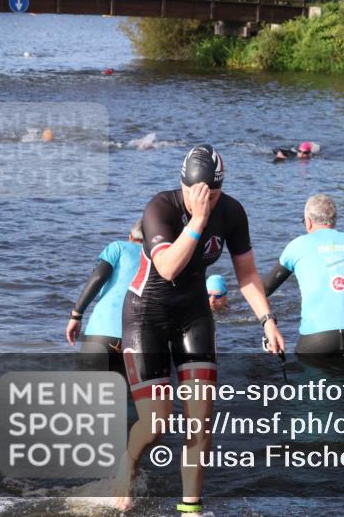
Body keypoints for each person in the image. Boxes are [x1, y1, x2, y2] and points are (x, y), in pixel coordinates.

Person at [114, 144, 285, 514]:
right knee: (157, 423)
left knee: (201, 420)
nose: (204, 199)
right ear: (183, 185)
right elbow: (167, 269)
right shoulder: (160, 208)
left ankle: (191, 507)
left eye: (213, 194)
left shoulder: (232, 212)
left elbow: (247, 274)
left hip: (193, 316)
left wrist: (267, 320)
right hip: (146, 316)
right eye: (196, 192)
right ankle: (128, 463)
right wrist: (197, 221)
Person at [265, 195, 344, 355]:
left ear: (308, 222)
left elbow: (264, 289)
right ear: (334, 221)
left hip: (317, 337)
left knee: (302, 369)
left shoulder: (297, 245)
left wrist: (267, 321)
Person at [65, 220, 144, 373]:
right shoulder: (162, 259)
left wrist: (76, 315)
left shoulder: (118, 247)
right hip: (141, 341)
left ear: (130, 237)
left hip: (102, 334)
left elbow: (97, 277)